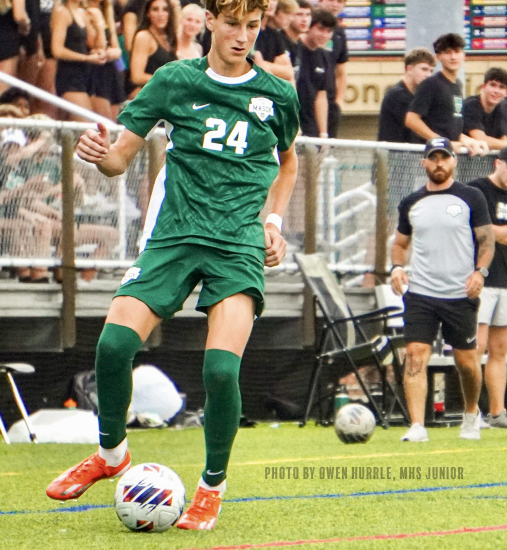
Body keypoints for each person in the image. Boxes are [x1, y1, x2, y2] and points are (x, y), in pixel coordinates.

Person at [45, 0, 299, 530]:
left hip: (237, 243)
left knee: (220, 369)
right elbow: (119, 160)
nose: (242, 36)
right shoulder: (173, 79)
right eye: (232, 24)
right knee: (113, 345)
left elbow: (289, 159)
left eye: (252, 26)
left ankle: (211, 488)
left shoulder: (277, 93)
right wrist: (98, 152)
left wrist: (273, 223)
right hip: (175, 235)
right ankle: (112, 454)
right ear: (209, 21)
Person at [390, 137, 494, 443]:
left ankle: (471, 413)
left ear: (453, 161)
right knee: (415, 355)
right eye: (433, 158)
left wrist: (480, 272)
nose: (439, 163)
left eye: (444, 157)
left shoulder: (471, 197)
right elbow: (399, 243)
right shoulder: (411, 202)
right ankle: (418, 425)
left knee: (465, 362)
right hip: (421, 292)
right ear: (424, 163)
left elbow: (487, 241)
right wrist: (397, 268)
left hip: (460, 292)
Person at [468, 145, 507, 429]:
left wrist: (497, 232)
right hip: (479, 277)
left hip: (504, 279)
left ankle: (498, 412)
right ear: (497, 164)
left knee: (500, 349)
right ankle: (472, 413)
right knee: (476, 348)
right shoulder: (476, 190)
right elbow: (474, 230)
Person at [405, 33, 487, 156]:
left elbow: (449, 127)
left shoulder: (458, 85)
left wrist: (470, 141)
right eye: (447, 52)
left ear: (463, 55)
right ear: (438, 57)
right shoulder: (431, 83)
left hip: (449, 157)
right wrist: (441, 142)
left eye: (457, 51)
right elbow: (411, 119)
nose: (453, 57)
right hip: (431, 157)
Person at [51, 0, 102, 119]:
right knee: (87, 125)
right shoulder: (63, 13)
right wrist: (86, 58)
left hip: (85, 76)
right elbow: (57, 50)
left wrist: (99, 24)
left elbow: (94, 44)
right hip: (70, 76)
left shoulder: (82, 13)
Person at [377, 47, 434, 143]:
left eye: (431, 71)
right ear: (409, 69)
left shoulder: (414, 95)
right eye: (424, 69)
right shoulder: (397, 95)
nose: (428, 75)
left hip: (407, 154)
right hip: (394, 155)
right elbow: (423, 124)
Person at [295, 9, 335, 138]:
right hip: (290, 122)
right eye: (320, 29)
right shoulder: (295, 48)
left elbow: (321, 96)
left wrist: (323, 133)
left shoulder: (325, 57)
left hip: (310, 126)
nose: (324, 35)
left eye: (329, 31)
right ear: (309, 27)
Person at [128, 0, 177, 96]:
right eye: (155, 9)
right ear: (148, 13)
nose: (160, 14)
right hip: (146, 97)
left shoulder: (167, 37)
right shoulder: (144, 36)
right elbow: (137, 76)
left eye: (165, 9)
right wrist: (167, 80)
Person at [87, 0, 125, 120]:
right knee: (104, 121)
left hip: (109, 69)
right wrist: (99, 23)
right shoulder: (85, 12)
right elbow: (96, 45)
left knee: (113, 123)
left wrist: (111, 52)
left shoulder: (107, 10)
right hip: (92, 70)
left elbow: (117, 49)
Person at [316, 0, 346, 138]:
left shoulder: (339, 33)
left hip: (329, 101)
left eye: (340, 1)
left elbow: (341, 72)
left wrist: (338, 101)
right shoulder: (307, 26)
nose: (335, 5)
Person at [462, 67, 507, 150]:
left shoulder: (500, 108)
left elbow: (502, 138)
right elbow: (481, 139)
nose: (496, 91)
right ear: (483, 87)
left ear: (506, 93)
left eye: (501, 87)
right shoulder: (471, 105)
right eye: (493, 85)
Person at [252, 0, 293, 82]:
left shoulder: (274, 34)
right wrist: (276, 69)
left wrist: (265, 65)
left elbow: (289, 72)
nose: (271, 3)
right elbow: (259, 66)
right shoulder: (251, 30)